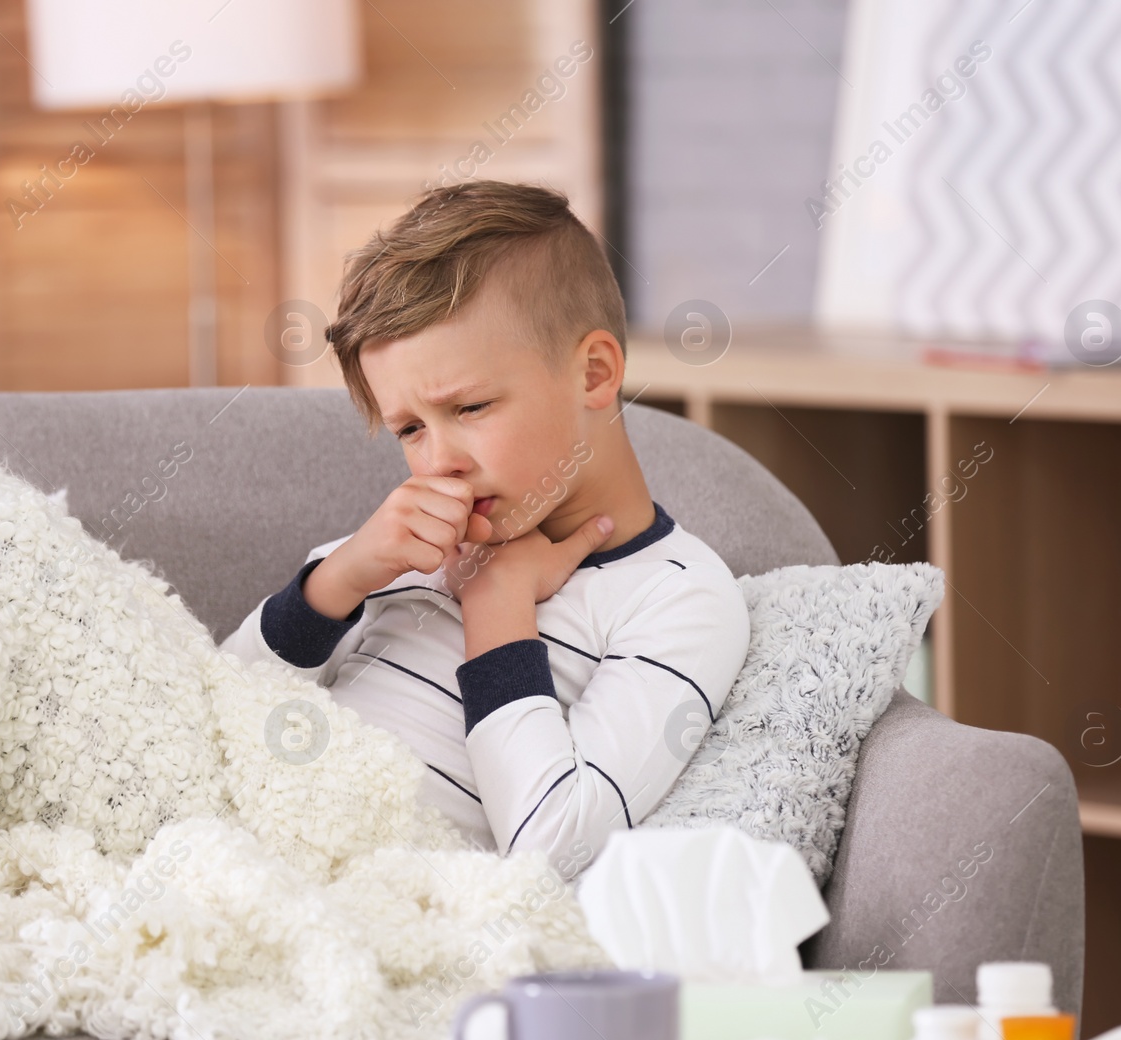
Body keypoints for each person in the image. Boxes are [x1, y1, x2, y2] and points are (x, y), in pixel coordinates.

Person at [221, 179, 751, 878]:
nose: (439, 461)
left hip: (377, 888)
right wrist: (342, 577)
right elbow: (220, 704)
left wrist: (498, 609)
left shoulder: (677, 597)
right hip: (233, 836)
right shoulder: (399, 546)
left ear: (593, 373)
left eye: (469, 407)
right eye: (410, 428)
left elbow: (556, 844)